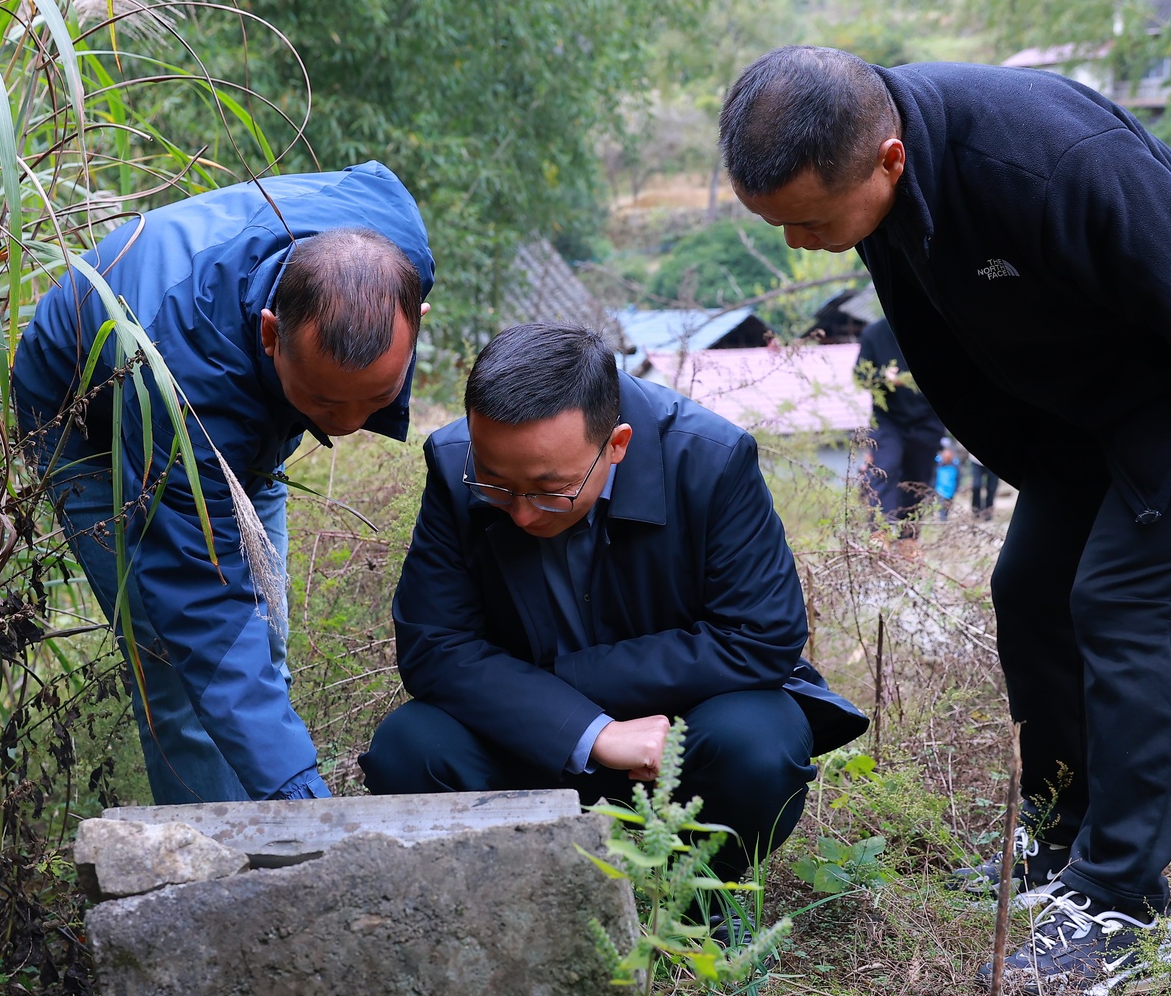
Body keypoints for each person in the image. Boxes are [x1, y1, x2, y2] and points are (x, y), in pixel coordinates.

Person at [720, 47, 1171, 996]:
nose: (799, 244)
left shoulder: (1044, 157)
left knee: (1125, 605)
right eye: (776, 221)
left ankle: (1120, 908)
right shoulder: (881, 181)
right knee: (1032, 593)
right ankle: (1060, 837)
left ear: (887, 159)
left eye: (806, 220)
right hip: (1090, 412)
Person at [360, 322, 868, 882]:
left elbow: (760, 636)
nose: (523, 514)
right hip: (527, 727)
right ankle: (511, 897)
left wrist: (567, 684)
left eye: (551, 490)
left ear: (617, 444)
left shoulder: (710, 460)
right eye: (497, 485)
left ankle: (702, 898)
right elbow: (435, 645)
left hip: (678, 728)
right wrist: (587, 731)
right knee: (410, 748)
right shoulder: (455, 463)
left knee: (756, 742)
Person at [14, 163, 434, 803]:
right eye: (324, 401)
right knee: (181, 672)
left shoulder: (398, 249)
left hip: (235, 407)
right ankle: (220, 882)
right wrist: (299, 794)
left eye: (375, 397)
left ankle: (270, 819)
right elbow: (200, 603)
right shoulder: (182, 382)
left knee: (263, 640)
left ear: (418, 317)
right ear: (272, 333)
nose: (350, 426)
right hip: (82, 407)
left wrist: (313, 399)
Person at [855, 315, 945, 531]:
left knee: (917, 481)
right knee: (884, 469)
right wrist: (882, 376)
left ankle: (908, 541)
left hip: (927, 419)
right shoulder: (874, 333)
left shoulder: (934, 329)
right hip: (888, 420)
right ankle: (879, 535)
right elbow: (860, 375)